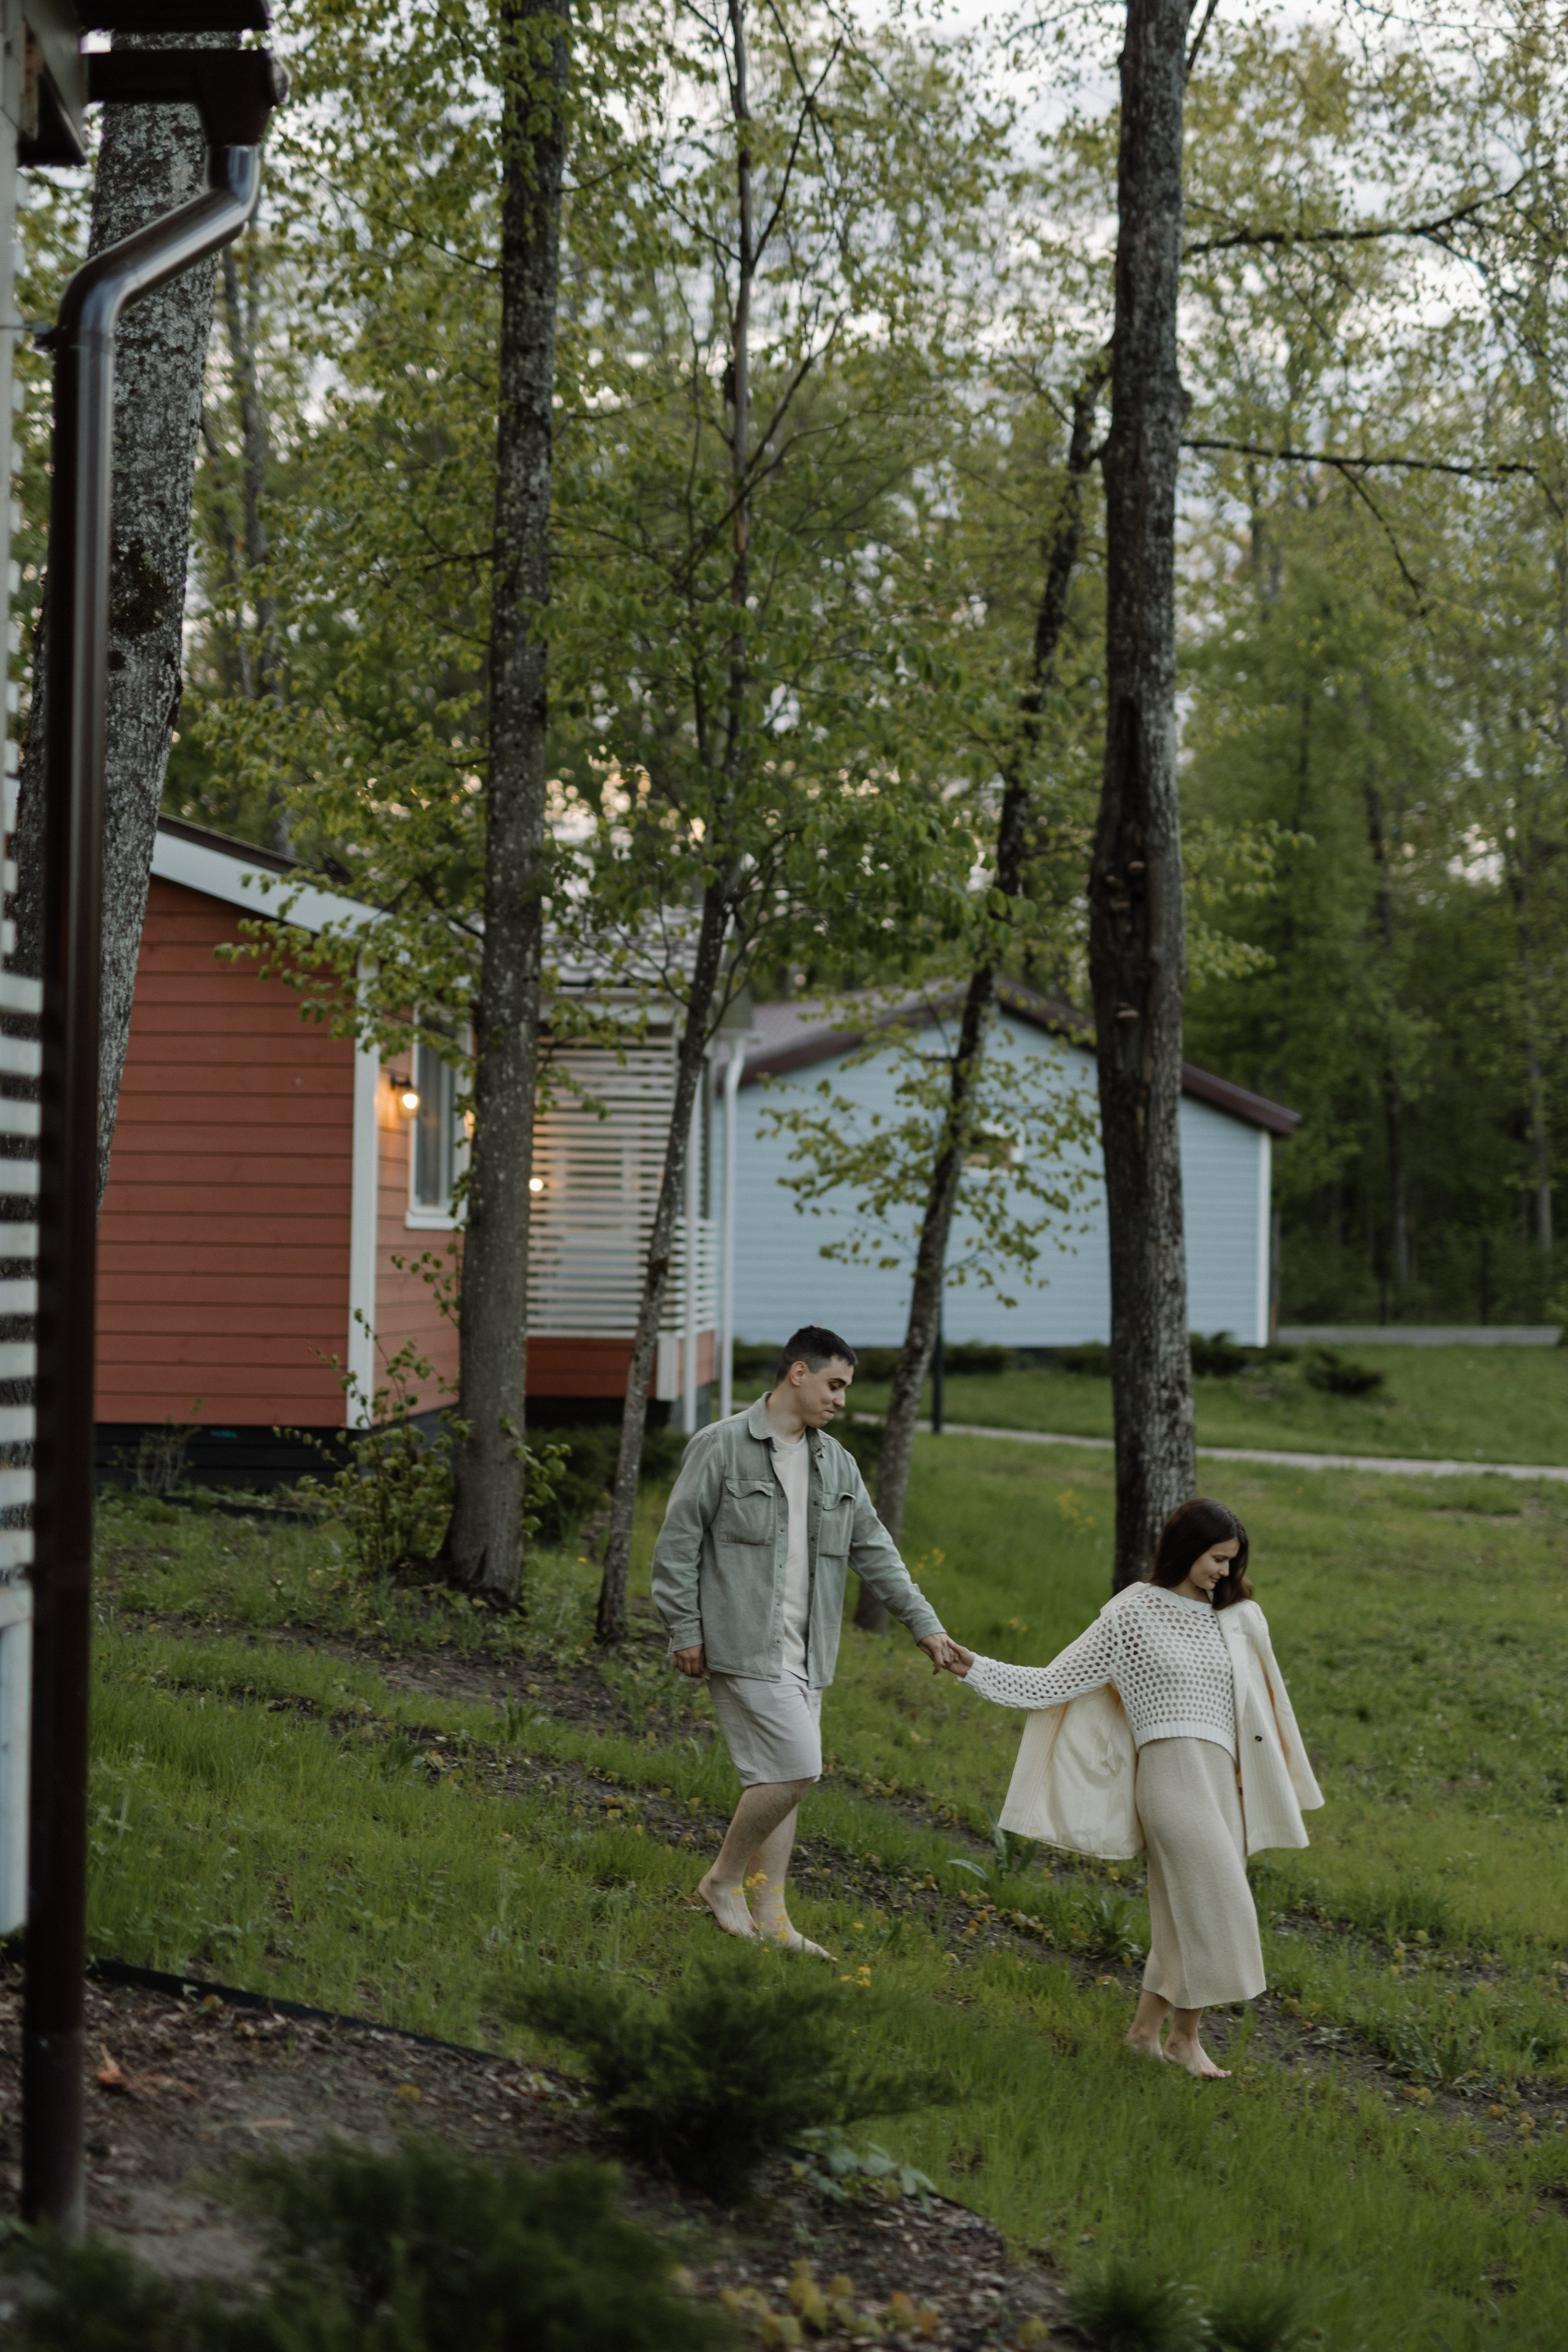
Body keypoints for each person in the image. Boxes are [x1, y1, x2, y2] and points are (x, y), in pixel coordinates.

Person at [941, 1496, 1321, 2078]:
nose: (1224, 1572)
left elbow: (1265, 1710)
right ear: (1186, 1548)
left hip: (1222, 1781)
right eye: (1216, 1559)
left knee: (1181, 1909)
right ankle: (1184, 2041)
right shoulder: (1133, 1613)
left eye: (1231, 1562)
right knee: (1219, 1903)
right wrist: (975, 1668)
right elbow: (1054, 1682)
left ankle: (1149, 2035)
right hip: (1169, 1780)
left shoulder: (1237, 1619)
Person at [652, 1325, 962, 1954]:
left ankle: (772, 1919)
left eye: (844, 1388)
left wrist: (925, 1626)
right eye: (834, 1384)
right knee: (798, 1767)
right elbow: (677, 1544)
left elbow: (876, 1552)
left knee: (780, 1784)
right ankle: (723, 1879)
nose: (841, 1400)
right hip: (742, 1642)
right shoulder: (721, 1447)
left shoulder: (836, 1463)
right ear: (798, 1373)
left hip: (808, 1652)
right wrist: (683, 1629)